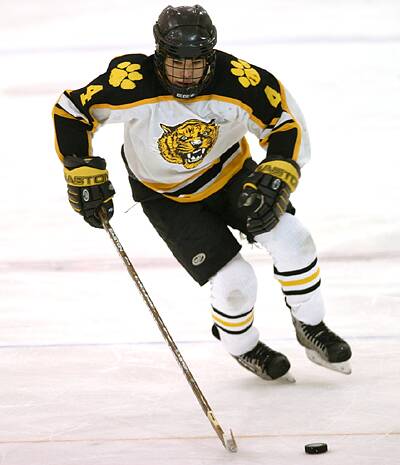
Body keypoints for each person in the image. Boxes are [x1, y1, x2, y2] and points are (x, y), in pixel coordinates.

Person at [52, 4, 352, 381]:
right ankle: (242, 345)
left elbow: (283, 122)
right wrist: (79, 167)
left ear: (211, 56)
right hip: (167, 198)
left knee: (295, 239)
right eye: (176, 63)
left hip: (231, 174)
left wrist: (280, 166)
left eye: (195, 63)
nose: (186, 74)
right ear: (158, 55)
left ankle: (311, 325)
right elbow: (72, 110)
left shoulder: (239, 81)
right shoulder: (131, 81)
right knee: (235, 281)